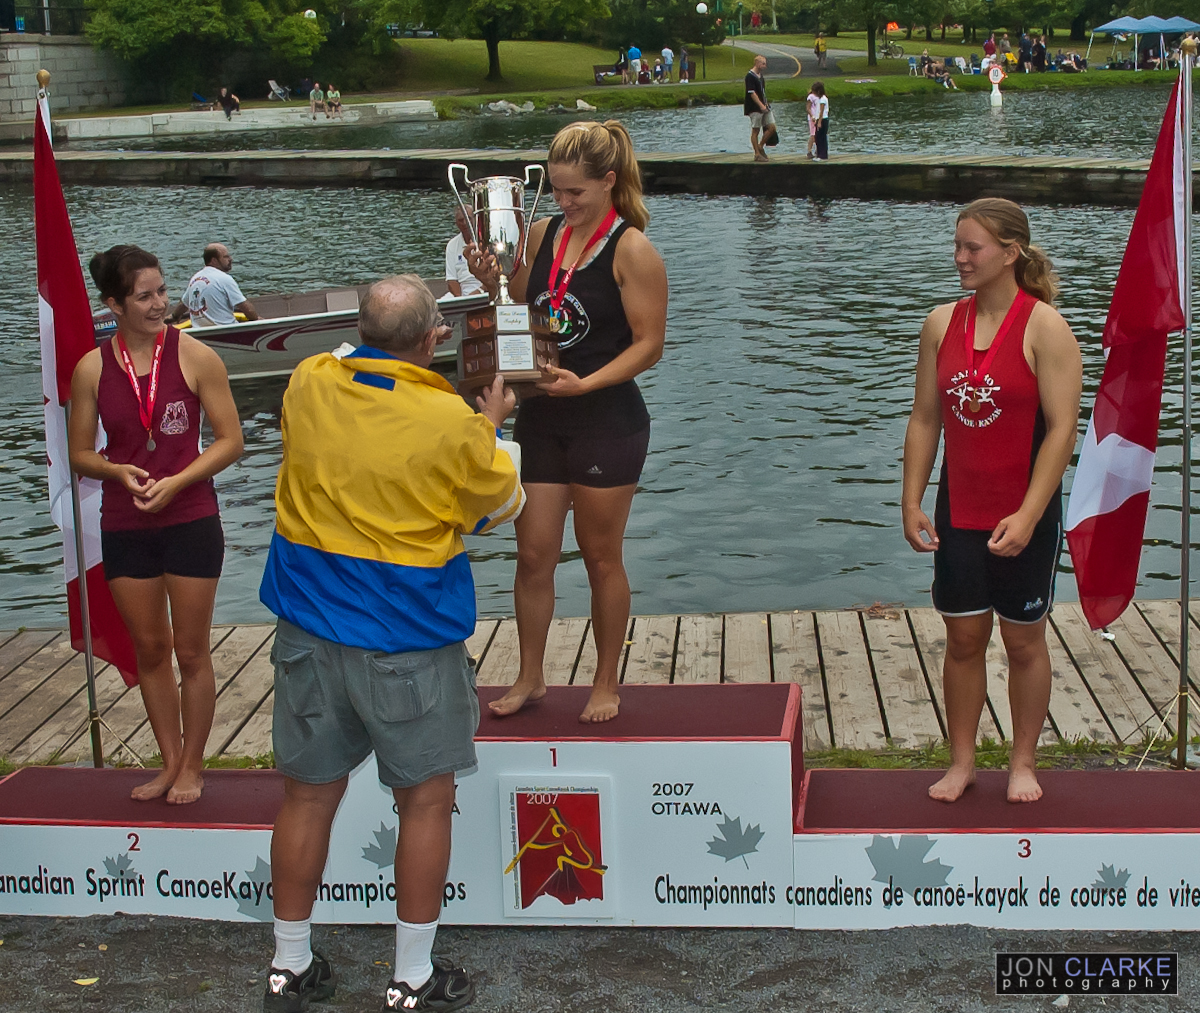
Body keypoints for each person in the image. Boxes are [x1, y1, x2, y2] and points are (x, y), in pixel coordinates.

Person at [258, 275, 523, 1013]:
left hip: (308, 629)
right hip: (405, 639)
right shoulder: (450, 422)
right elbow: (500, 505)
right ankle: (411, 976)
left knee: (306, 797)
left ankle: (289, 967)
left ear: (361, 329)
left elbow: (337, 381)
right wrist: (493, 426)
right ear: (433, 338)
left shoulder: (310, 379)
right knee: (426, 802)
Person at [464, 120, 667, 725]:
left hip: (607, 417)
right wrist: (491, 279)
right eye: (555, 189)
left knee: (601, 557)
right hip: (542, 415)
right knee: (533, 556)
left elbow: (649, 345)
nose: (563, 201)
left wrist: (588, 381)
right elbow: (519, 299)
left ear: (609, 181)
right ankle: (531, 675)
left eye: (575, 191)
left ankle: (605, 680)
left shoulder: (632, 249)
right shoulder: (544, 232)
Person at [902, 198, 1082, 805]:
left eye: (972, 247)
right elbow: (925, 418)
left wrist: (1029, 515)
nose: (959, 258)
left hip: (1025, 514)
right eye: (956, 246)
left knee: (1023, 642)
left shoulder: (1045, 328)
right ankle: (962, 763)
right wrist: (911, 500)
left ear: (1010, 253)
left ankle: (1023, 763)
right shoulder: (940, 323)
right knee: (962, 641)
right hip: (959, 511)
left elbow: (1062, 431)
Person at [68, 245, 243, 805]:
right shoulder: (92, 368)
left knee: (190, 651)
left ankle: (193, 764)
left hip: (190, 517)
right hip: (125, 522)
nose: (160, 304)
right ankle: (169, 762)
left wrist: (178, 481)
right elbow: (79, 454)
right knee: (149, 649)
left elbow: (231, 441)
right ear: (113, 304)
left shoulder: (196, 357)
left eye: (162, 291)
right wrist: (116, 470)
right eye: (144, 296)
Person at [168, 243, 259, 327]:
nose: (230, 259)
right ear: (214, 260)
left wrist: (174, 316)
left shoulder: (195, 279)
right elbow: (248, 310)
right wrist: (257, 320)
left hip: (199, 331)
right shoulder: (224, 279)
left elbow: (183, 305)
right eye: (226, 257)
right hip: (226, 330)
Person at [444, 206, 485, 298]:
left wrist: (479, 291)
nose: (464, 223)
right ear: (456, 223)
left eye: (468, 218)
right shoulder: (452, 245)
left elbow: (494, 277)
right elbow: (451, 280)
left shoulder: (486, 241)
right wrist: (460, 299)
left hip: (484, 290)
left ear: (475, 219)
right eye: (461, 220)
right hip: (461, 294)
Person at [744, 54, 770, 163]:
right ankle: (757, 154)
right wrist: (761, 105)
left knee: (771, 127)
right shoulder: (750, 76)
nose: (765, 66)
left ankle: (760, 146)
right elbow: (752, 93)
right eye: (763, 64)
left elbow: (762, 92)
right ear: (757, 63)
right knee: (756, 130)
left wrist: (766, 103)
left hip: (764, 106)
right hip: (755, 108)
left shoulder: (760, 76)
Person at [812, 80, 829, 161]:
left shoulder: (822, 99)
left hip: (822, 119)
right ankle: (819, 154)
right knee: (818, 137)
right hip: (820, 119)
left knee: (821, 138)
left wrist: (819, 122)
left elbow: (821, 112)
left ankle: (822, 155)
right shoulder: (821, 98)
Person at [805, 83, 819, 159]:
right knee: (813, 134)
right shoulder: (811, 97)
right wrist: (812, 116)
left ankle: (818, 150)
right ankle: (809, 151)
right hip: (813, 118)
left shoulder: (820, 96)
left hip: (818, 117)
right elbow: (808, 108)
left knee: (819, 134)